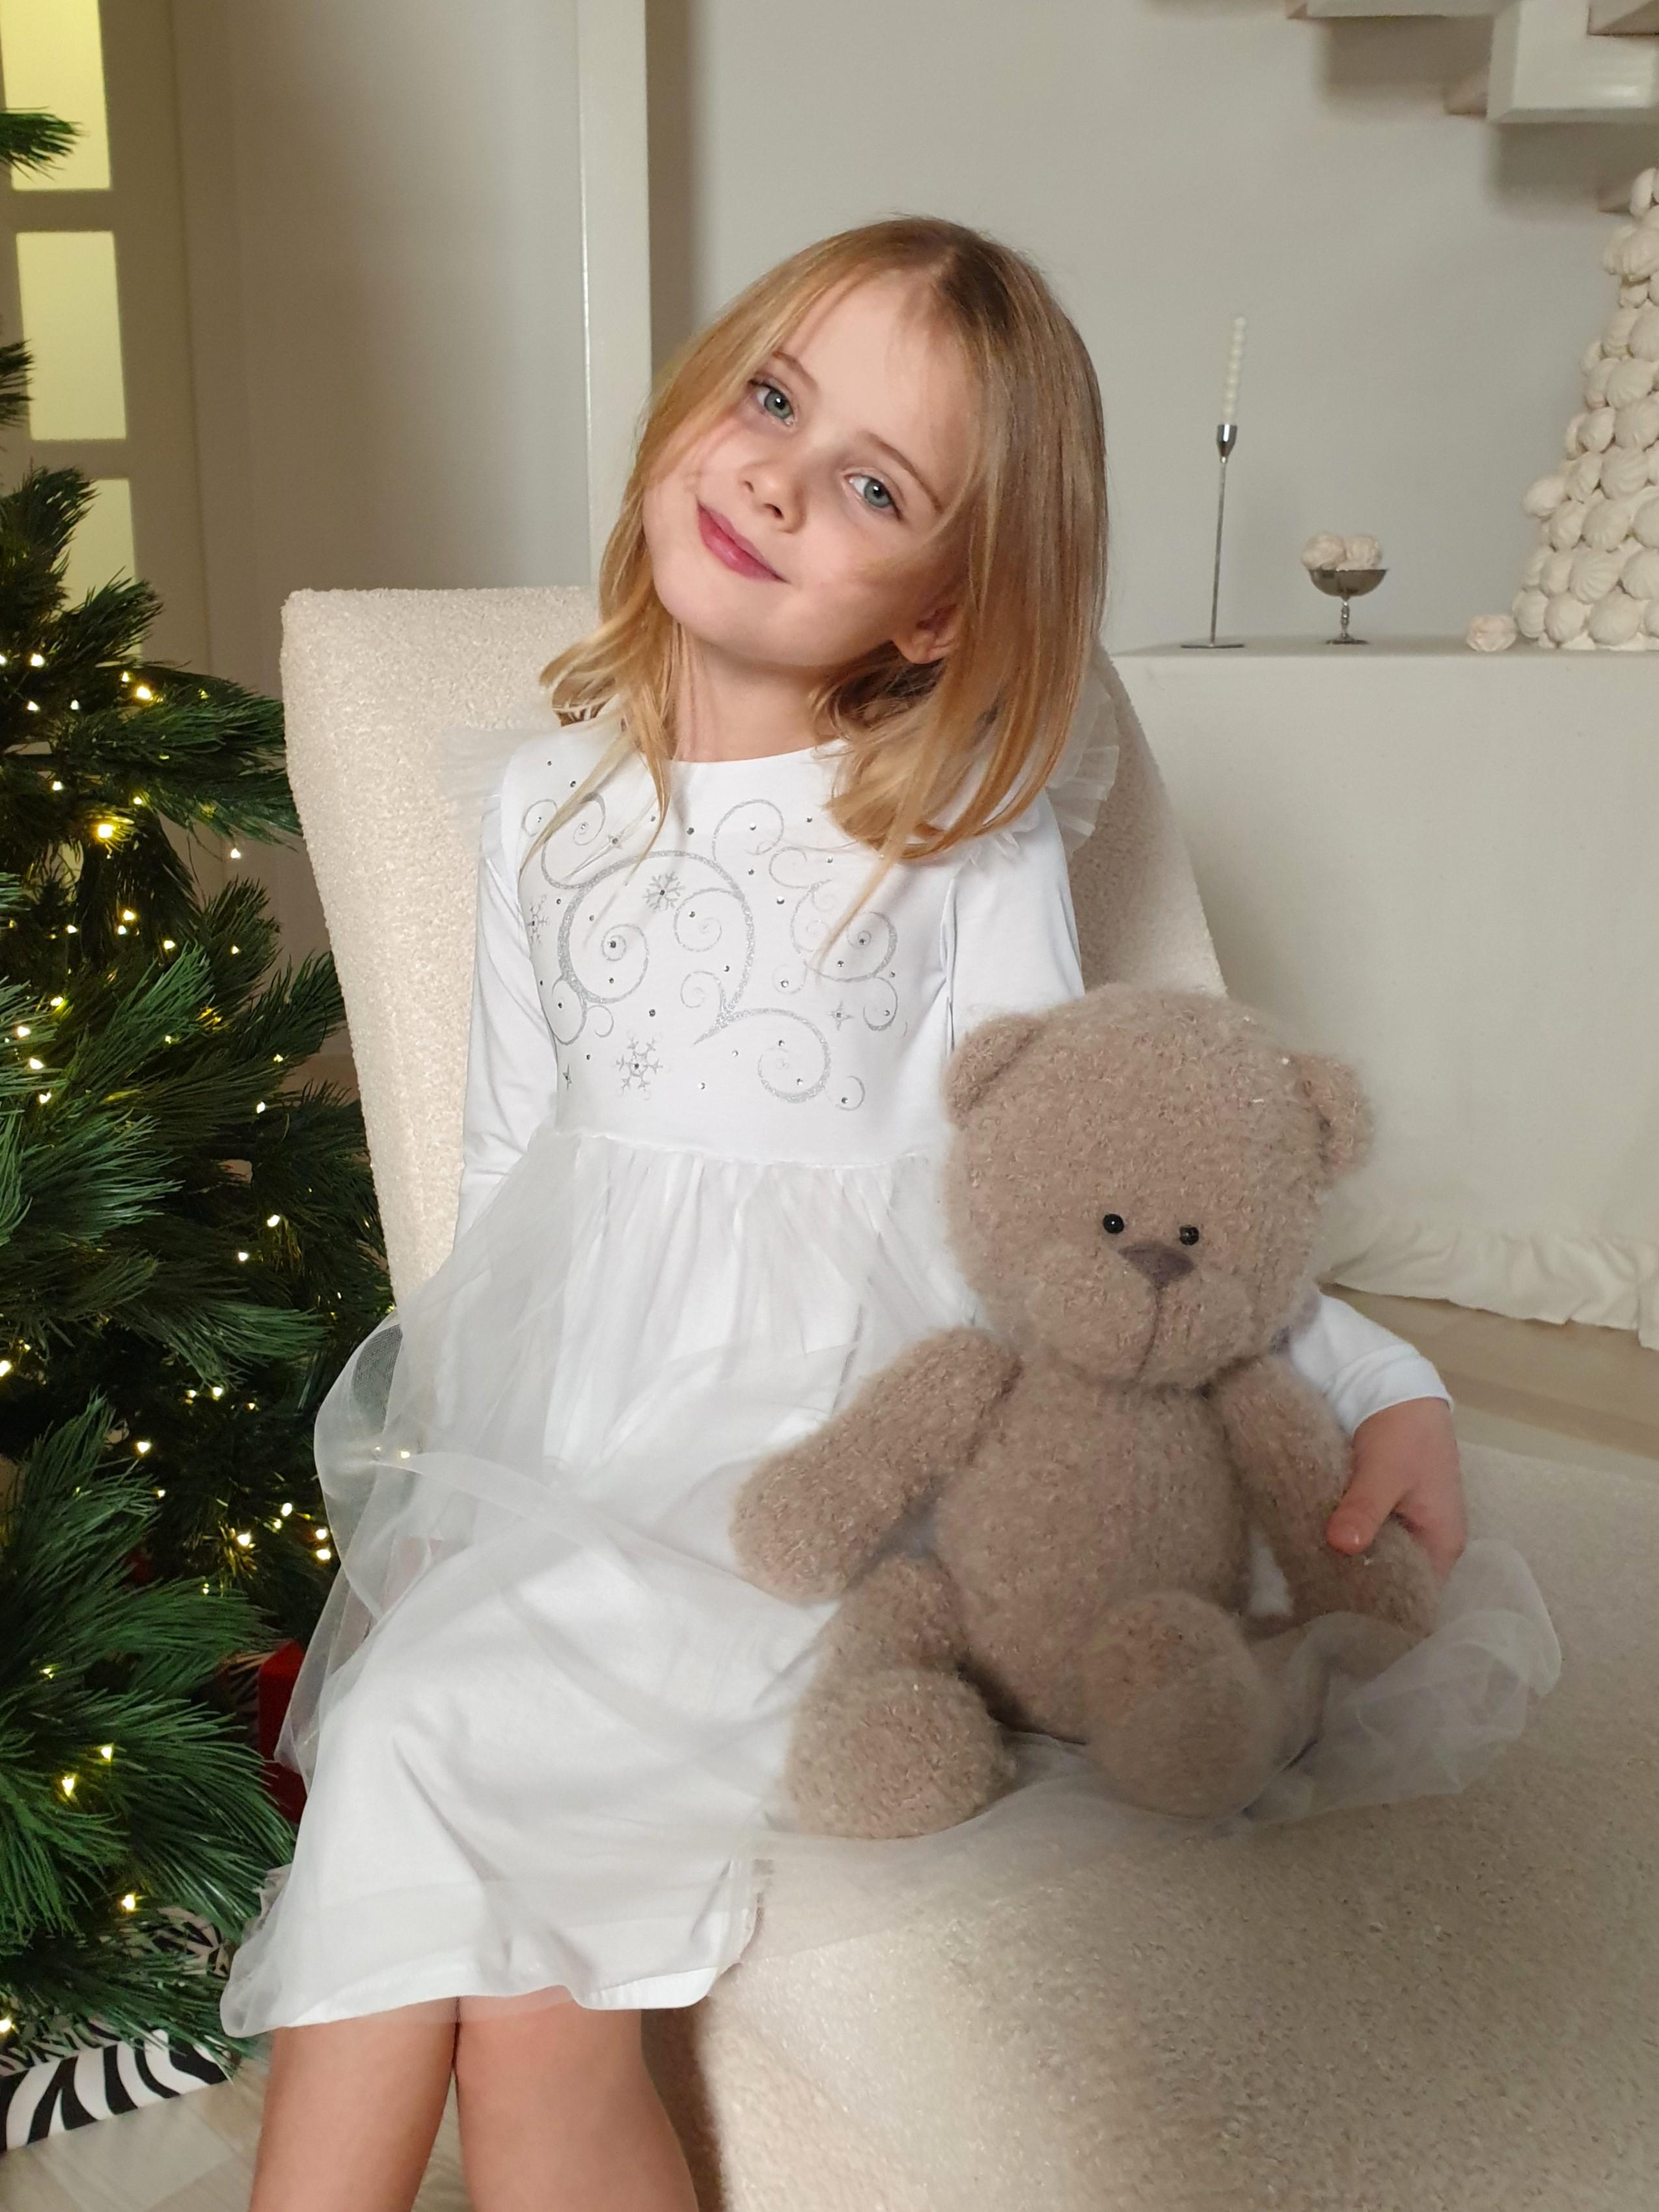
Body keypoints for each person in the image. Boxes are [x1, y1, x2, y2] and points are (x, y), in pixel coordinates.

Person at [226, 217, 1551, 2212]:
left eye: (872, 486)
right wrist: (452, 1508)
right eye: (773, 399)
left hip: (834, 1490)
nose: (777, 476)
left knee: (486, 1892)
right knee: (456, 1827)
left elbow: (1096, 1191)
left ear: (934, 614)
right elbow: (500, 1183)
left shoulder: (945, 837)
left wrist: (1379, 1378)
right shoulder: (545, 805)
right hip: (586, 1473)